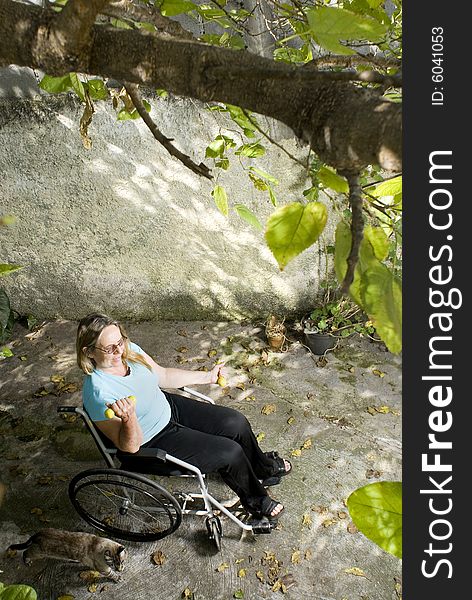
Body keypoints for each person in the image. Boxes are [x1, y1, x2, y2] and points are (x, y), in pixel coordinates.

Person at [76, 313, 292, 520]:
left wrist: (207, 377)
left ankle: (261, 467)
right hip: (150, 440)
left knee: (236, 423)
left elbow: (163, 375)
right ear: (89, 352)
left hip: (168, 407)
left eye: (120, 342)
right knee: (230, 452)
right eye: (109, 348)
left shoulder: (129, 351)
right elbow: (129, 447)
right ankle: (257, 501)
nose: (119, 351)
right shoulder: (99, 393)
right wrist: (129, 418)